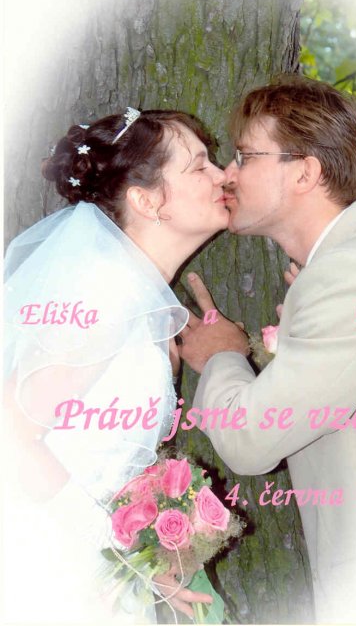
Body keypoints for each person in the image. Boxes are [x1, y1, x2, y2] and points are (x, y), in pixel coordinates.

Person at [178, 76, 356, 624]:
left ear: (305, 172)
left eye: (246, 156)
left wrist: (222, 355)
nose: (227, 174)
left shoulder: (355, 276)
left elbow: (251, 441)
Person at [3, 108, 228, 623]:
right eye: (199, 166)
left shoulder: (141, 306)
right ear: (146, 201)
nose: (222, 175)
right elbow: (9, 433)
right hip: (54, 568)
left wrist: (147, 541)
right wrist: (118, 547)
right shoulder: (103, 293)